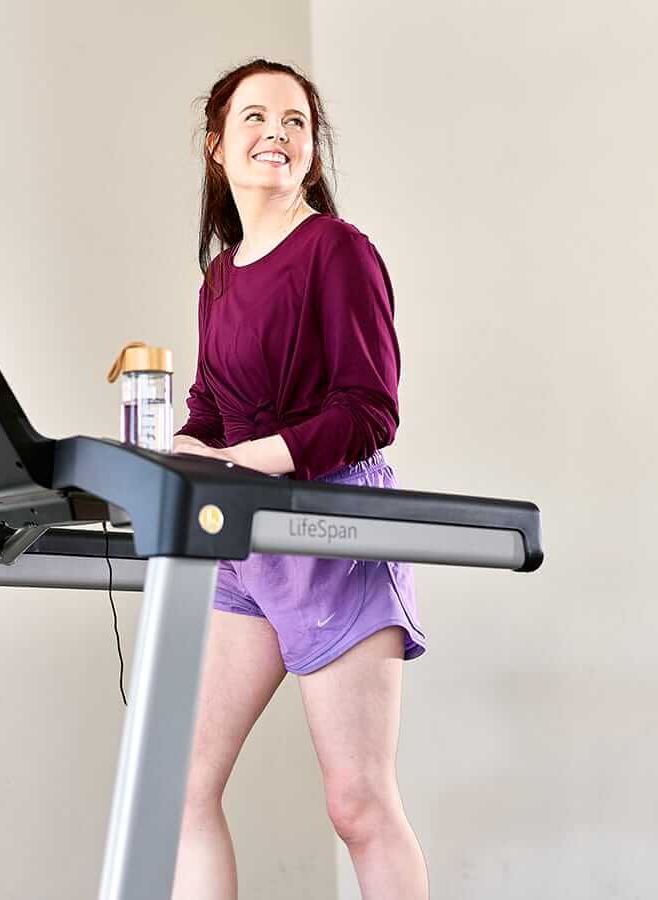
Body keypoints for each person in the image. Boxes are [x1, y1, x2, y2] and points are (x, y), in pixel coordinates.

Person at [169, 59, 430, 900]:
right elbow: (212, 410)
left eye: (294, 121)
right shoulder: (220, 279)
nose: (275, 133)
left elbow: (369, 408)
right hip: (245, 542)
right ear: (217, 145)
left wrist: (241, 459)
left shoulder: (338, 251)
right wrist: (173, 451)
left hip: (335, 528)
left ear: (312, 150)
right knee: (179, 785)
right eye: (254, 117)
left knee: (358, 802)